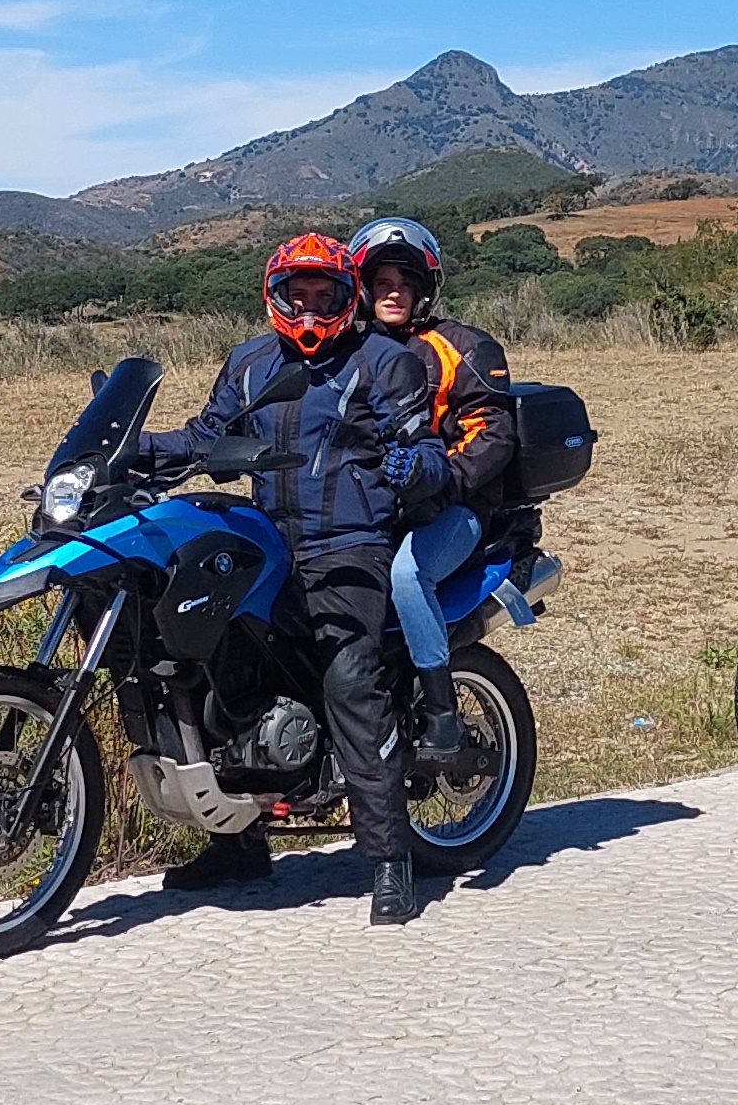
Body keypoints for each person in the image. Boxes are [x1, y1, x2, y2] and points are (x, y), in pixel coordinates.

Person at [147, 232, 451, 922]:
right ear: (275, 297)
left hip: (350, 548)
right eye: (299, 295)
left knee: (350, 683)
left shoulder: (383, 362)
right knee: (221, 670)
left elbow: (425, 451)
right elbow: (206, 436)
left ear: (348, 300)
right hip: (267, 547)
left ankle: (390, 859)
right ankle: (238, 841)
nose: (311, 311)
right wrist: (131, 449)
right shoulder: (251, 363)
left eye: (326, 296)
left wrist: (415, 467)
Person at [350, 216, 520, 680]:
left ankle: (439, 703)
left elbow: (493, 432)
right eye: (382, 282)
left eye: (406, 283)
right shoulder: (345, 349)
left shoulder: (461, 346)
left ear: (425, 288)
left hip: (454, 509)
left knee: (407, 574)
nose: (394, 293)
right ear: (362, 287)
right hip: (368, 508)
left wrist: (442, 484)